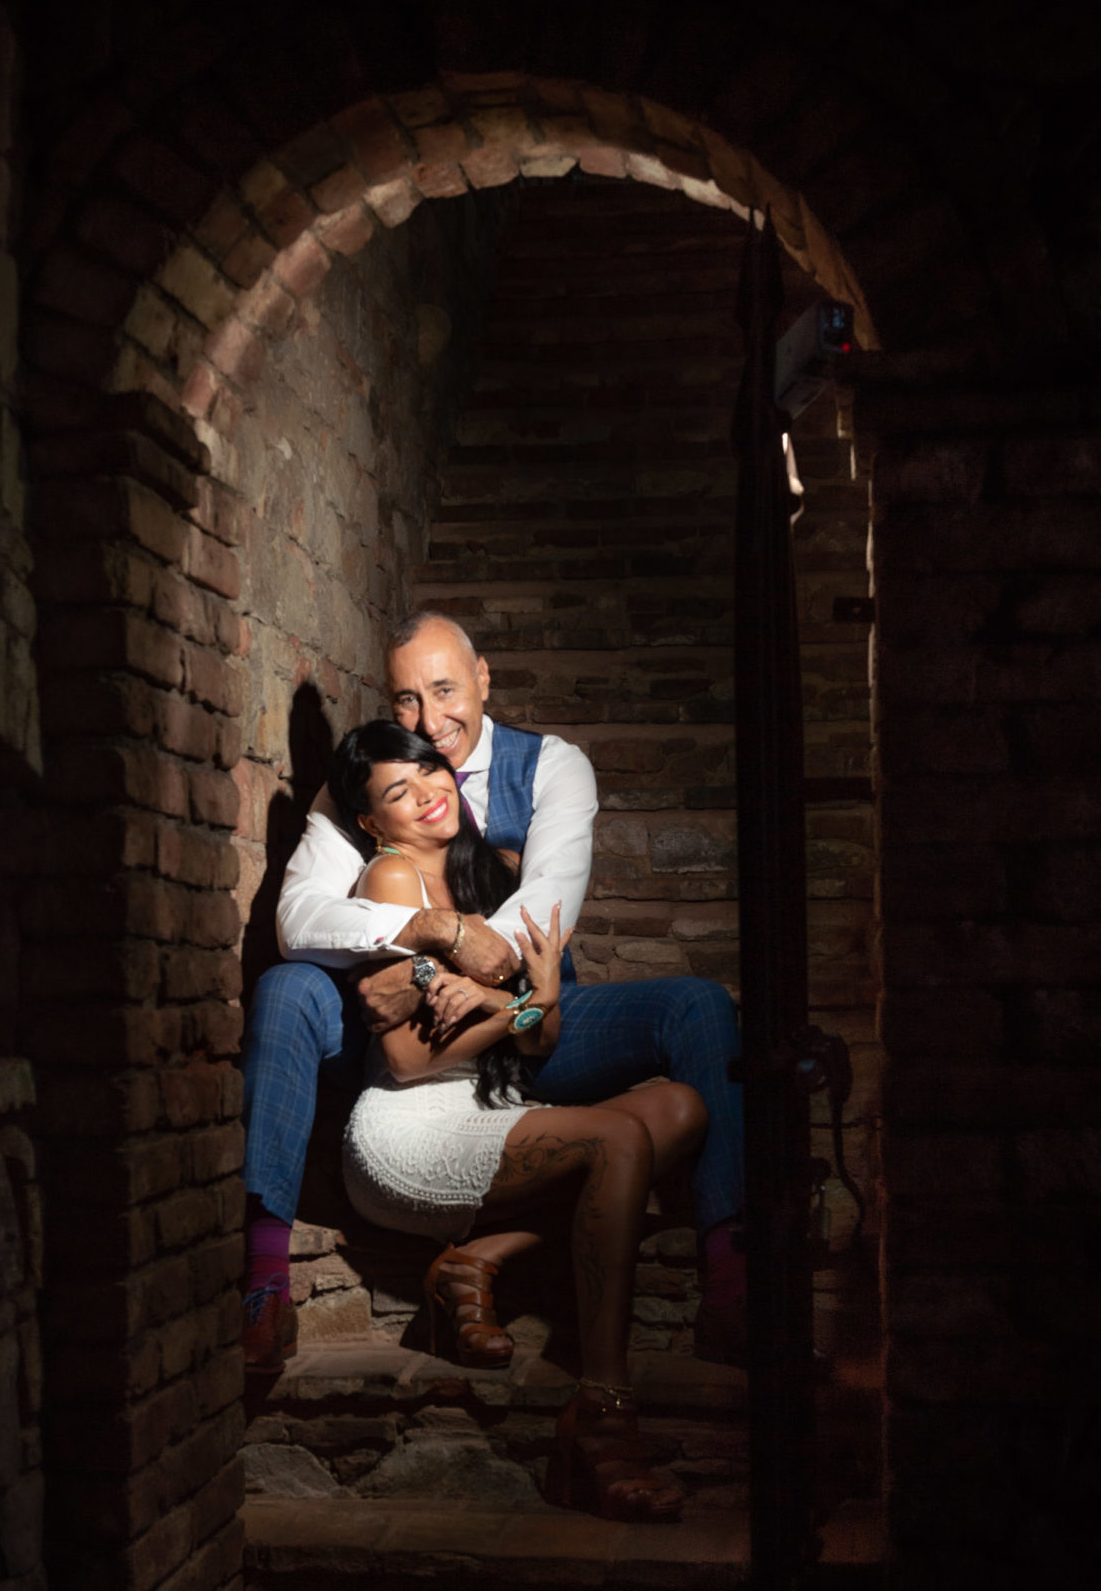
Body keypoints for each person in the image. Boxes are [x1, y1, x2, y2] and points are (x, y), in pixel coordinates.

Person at [240, 611, 744, 1370]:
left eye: (444, 689)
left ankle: (734, 1276)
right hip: (406, 1036)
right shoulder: (365, 784)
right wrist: (430, 940)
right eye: (406, 699)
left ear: (483, 679)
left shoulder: (551, 767)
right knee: (286, 987)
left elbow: (548, 906)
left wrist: (468, 985)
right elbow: (299, 916)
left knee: (699, 1007)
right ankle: (262, 1279)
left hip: (521, 1027)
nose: (429, 719)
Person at [326, 718, 706, 1520]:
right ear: (371, 822)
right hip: (407, 1128)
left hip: (486, 1106)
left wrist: (526, 1004)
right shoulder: (393, 880)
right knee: (615, 1135)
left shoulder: (492, 874)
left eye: (429, 772)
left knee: (678, 1107)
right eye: (398, 789)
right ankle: (603, 1415)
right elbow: (405, 1059)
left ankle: (479, 1258)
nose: (428, 793)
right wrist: (522, 1004)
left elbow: (551, 1034)